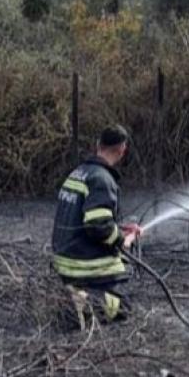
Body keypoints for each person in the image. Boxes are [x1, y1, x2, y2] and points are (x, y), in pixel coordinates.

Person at [50, 125, 142, 329]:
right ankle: (81, 305)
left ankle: (76, 294)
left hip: (65, 260)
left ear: (97, 145)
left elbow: (87, 218)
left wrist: (119, 227)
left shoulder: (78, 173)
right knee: (123, 307)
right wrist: (123, 240)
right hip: (83, 264)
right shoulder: (102, 179)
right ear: (122, 150)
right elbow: (97, 226)